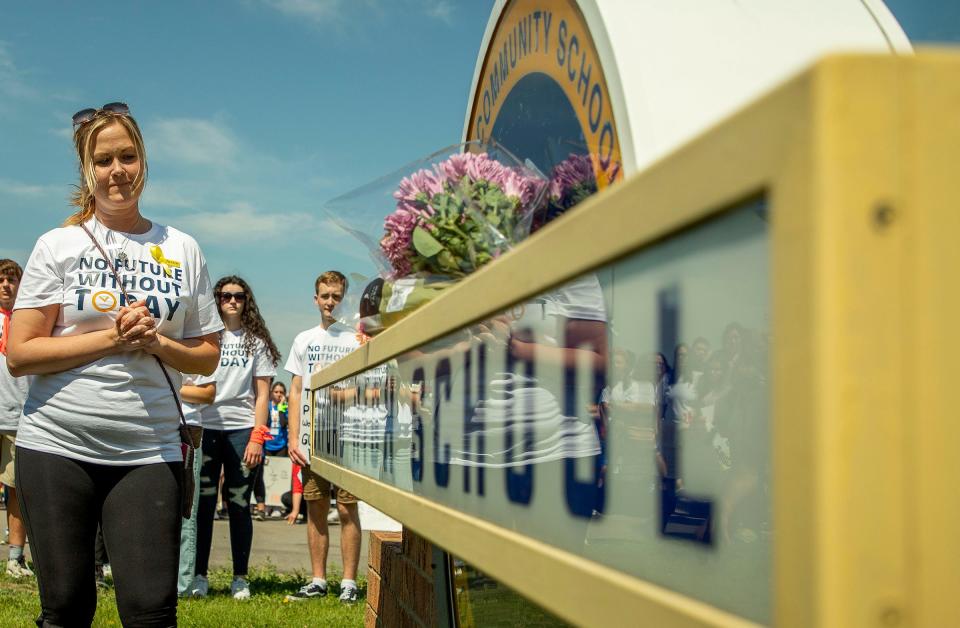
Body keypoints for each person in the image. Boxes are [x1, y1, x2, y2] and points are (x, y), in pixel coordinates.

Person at [7, 102, 222, 626]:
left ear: (143, 161)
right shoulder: (57, 245)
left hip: (149, 450)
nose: (117, 170)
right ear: (88, 169)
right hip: (57, 444)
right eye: (104, 160)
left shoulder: (183, 247)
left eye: (127, 156)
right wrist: (111, 338)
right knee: (66, 610)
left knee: (151, 612)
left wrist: (156, 343)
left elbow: (207, 355)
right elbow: (20, 353)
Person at [189, 275, 279, 600]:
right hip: (206, 427)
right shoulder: (205, 338)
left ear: (246, 301)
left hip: (242, 430)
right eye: (225, 296)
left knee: (240, 504)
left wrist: (258, 436)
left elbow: (263, 394)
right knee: (204, 505)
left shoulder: (256, 342)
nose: (231, 301)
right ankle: (199, 575)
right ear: (217, 300)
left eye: (238, 296)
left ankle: (240, 578)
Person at [284, 271, 362, 603]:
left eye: (336, 296)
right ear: (315, 299)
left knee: (347, 508)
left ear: (344, 299)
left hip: (349, 432)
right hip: (313, 434)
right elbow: (296, 389)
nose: (330, 302)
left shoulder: (355, 338)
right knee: (315, 506)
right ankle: (318, 579)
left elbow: (366, 382)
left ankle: (349, 582)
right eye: (325, 296)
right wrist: (292, 436)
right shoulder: (304, 339)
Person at [0, 259, 32, 578]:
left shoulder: (27, 320)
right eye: (1, 279)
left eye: (11, 279)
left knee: (16, 490)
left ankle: (15, 558)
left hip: (18, 416)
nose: (6, 285)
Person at [176, 375, 215, 596]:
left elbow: (207, 394)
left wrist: (165, 385)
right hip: (155, 425)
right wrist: (185, 388)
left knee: (186, 508)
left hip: (188, 428)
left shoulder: (198, 343)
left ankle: (182, 585)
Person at [252, 381, 289, 520]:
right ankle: (265, 505)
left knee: (280, 476)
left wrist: (281, 408)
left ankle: (277, 506)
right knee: (266, 476)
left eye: (281, 392)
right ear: (271, 392)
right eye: (276, 392)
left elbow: (285, 423)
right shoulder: (266, 405)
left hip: (281, 445)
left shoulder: (284, 406)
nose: (279, 394)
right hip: (267, 445)